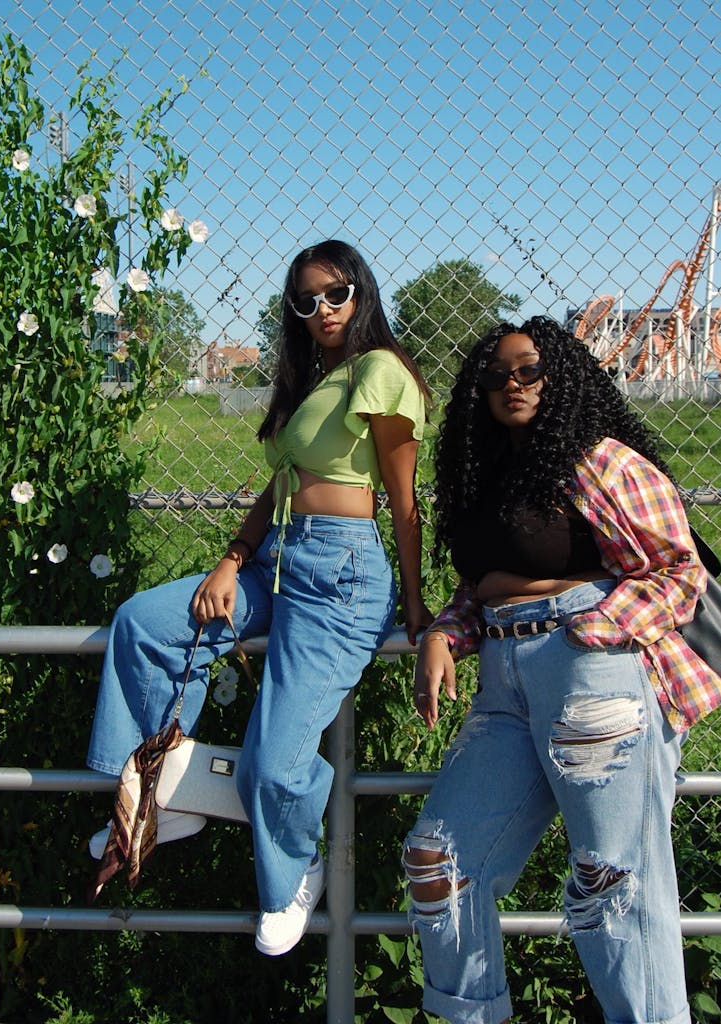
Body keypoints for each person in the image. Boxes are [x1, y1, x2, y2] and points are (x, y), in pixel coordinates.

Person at [87, 239, 432, 956]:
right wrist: (229, 557)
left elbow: (403, 504)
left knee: (271, 763)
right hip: (275, 559)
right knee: (144, 623)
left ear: (360, 291)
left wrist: (418, 607)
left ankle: (292, 874)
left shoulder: (380, 371)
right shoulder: (314, 381)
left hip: (342, 576)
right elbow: (279, 487)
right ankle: (157, 797)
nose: (322, 310)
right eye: (305, 301)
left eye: (334, 293)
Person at [404, 316, 721, 1024]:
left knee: (610, 882)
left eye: (527, 371)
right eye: (495, 376)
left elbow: (678, 569)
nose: (510, 386)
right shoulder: (484, 476)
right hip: (502, 679)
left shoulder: (601, 460)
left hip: (590, 674)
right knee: (438, 862)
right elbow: (486, 583)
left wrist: (595, 629)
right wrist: (445, 633)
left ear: (561, 377)